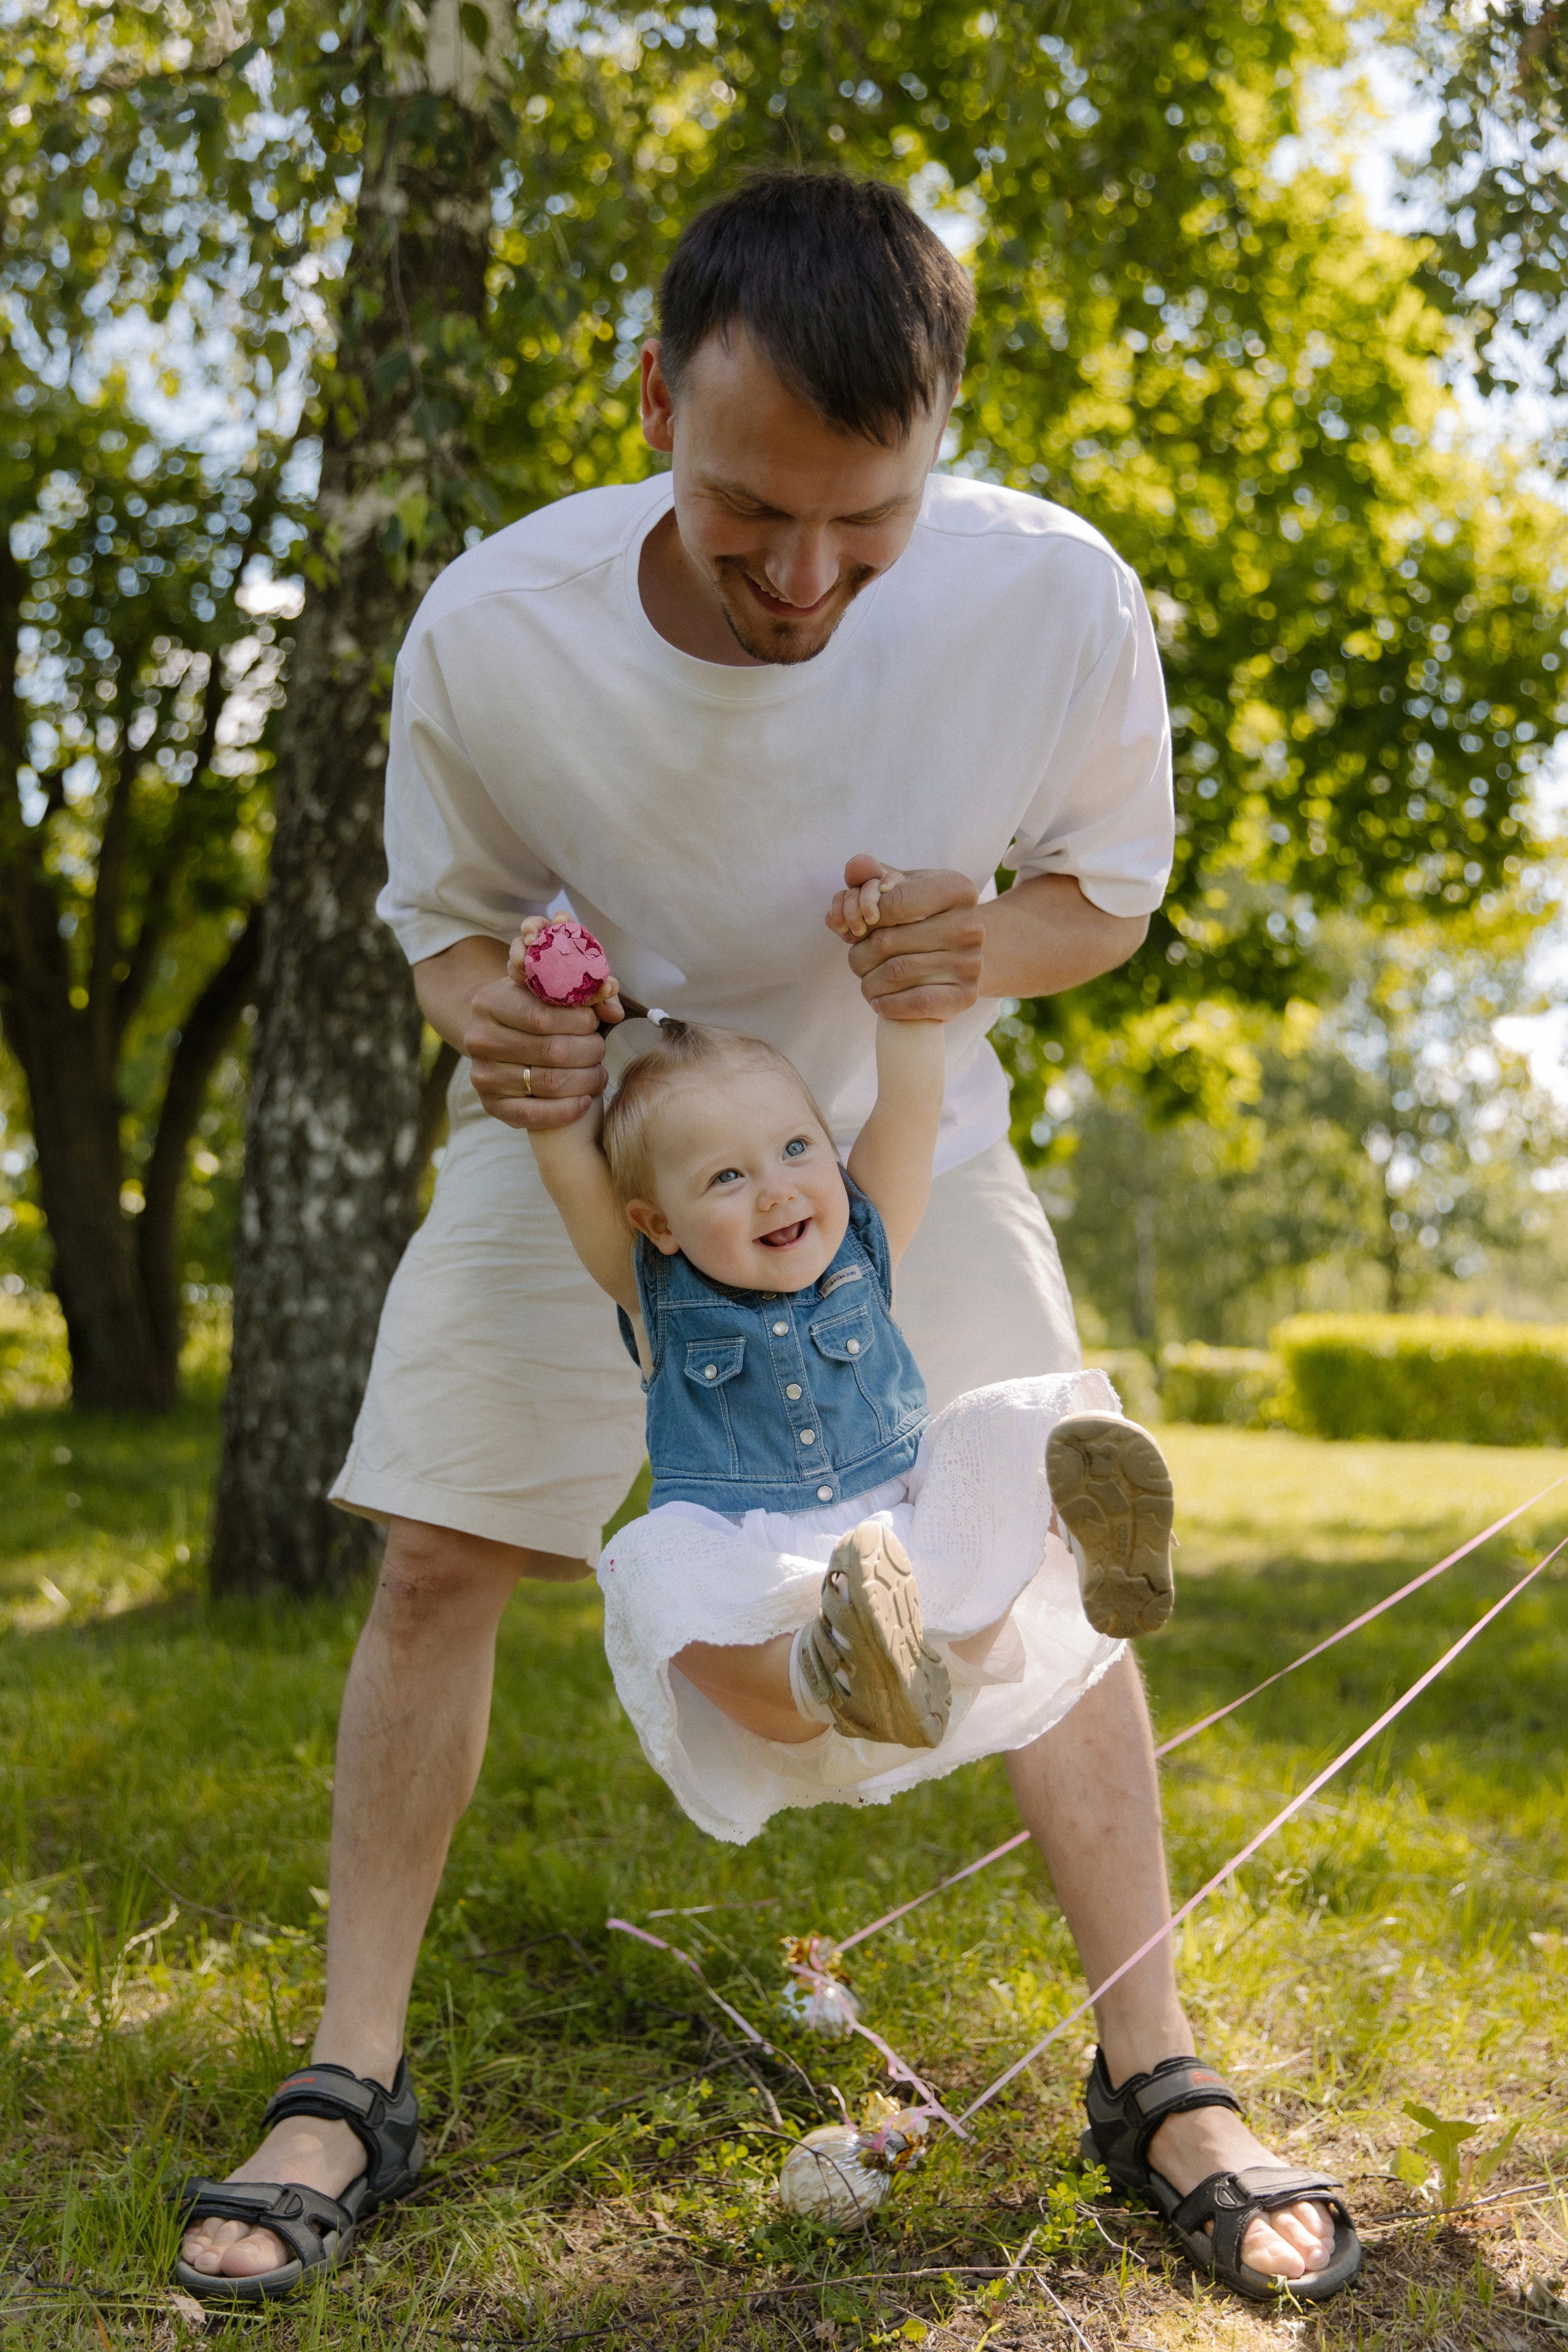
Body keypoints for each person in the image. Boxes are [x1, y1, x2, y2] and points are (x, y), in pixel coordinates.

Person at [175, 168, 1360, 2305]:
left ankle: (1159, 2068)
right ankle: (349, 2078)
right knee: (440, 1553)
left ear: (942, 441)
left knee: (1057, 1510)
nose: (808, 573)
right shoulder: (497, 629)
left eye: (868, 519)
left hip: (900, 1109)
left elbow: (1104, 890)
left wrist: (969, 944)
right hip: (615, 1122)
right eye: (752, 510)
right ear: (653, 397)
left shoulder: (1050, 597)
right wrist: (514, 1048)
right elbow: (445, 936)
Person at [519, 875, 1176, 1844]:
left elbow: (910, 1101)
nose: (777, 1190)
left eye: (796, 1149)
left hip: (911, 1544)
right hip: (769, 1581)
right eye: (728, 1176)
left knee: (1010, 1418)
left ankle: (1097, 1545)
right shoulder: (653, 1293)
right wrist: (553, 1025)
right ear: (656, 1224)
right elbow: (571, 1166)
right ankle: (832, 1669)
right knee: (652, 1563)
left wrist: (902, 981)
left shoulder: (865, 1241)